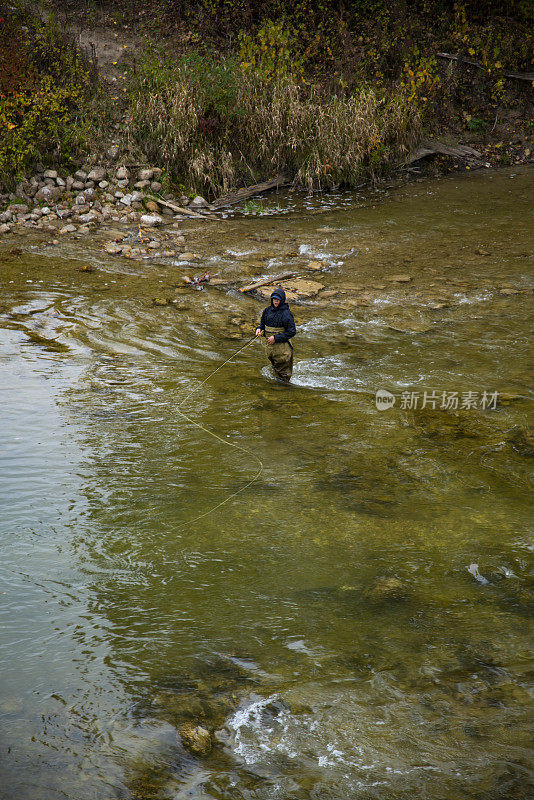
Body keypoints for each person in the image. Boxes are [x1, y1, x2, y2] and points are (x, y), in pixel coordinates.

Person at [255, 288, 296, 381]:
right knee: (275, 369)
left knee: (284, 374)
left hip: (283, 349)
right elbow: (262, 325)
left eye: (278, 300)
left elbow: (292, 332)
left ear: (282, 300)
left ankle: (284, 390)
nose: (276, 302)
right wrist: (259, 330)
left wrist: (276, 338)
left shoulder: (286, 314)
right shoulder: (267, 311)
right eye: (274, 299)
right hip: (271, 349)